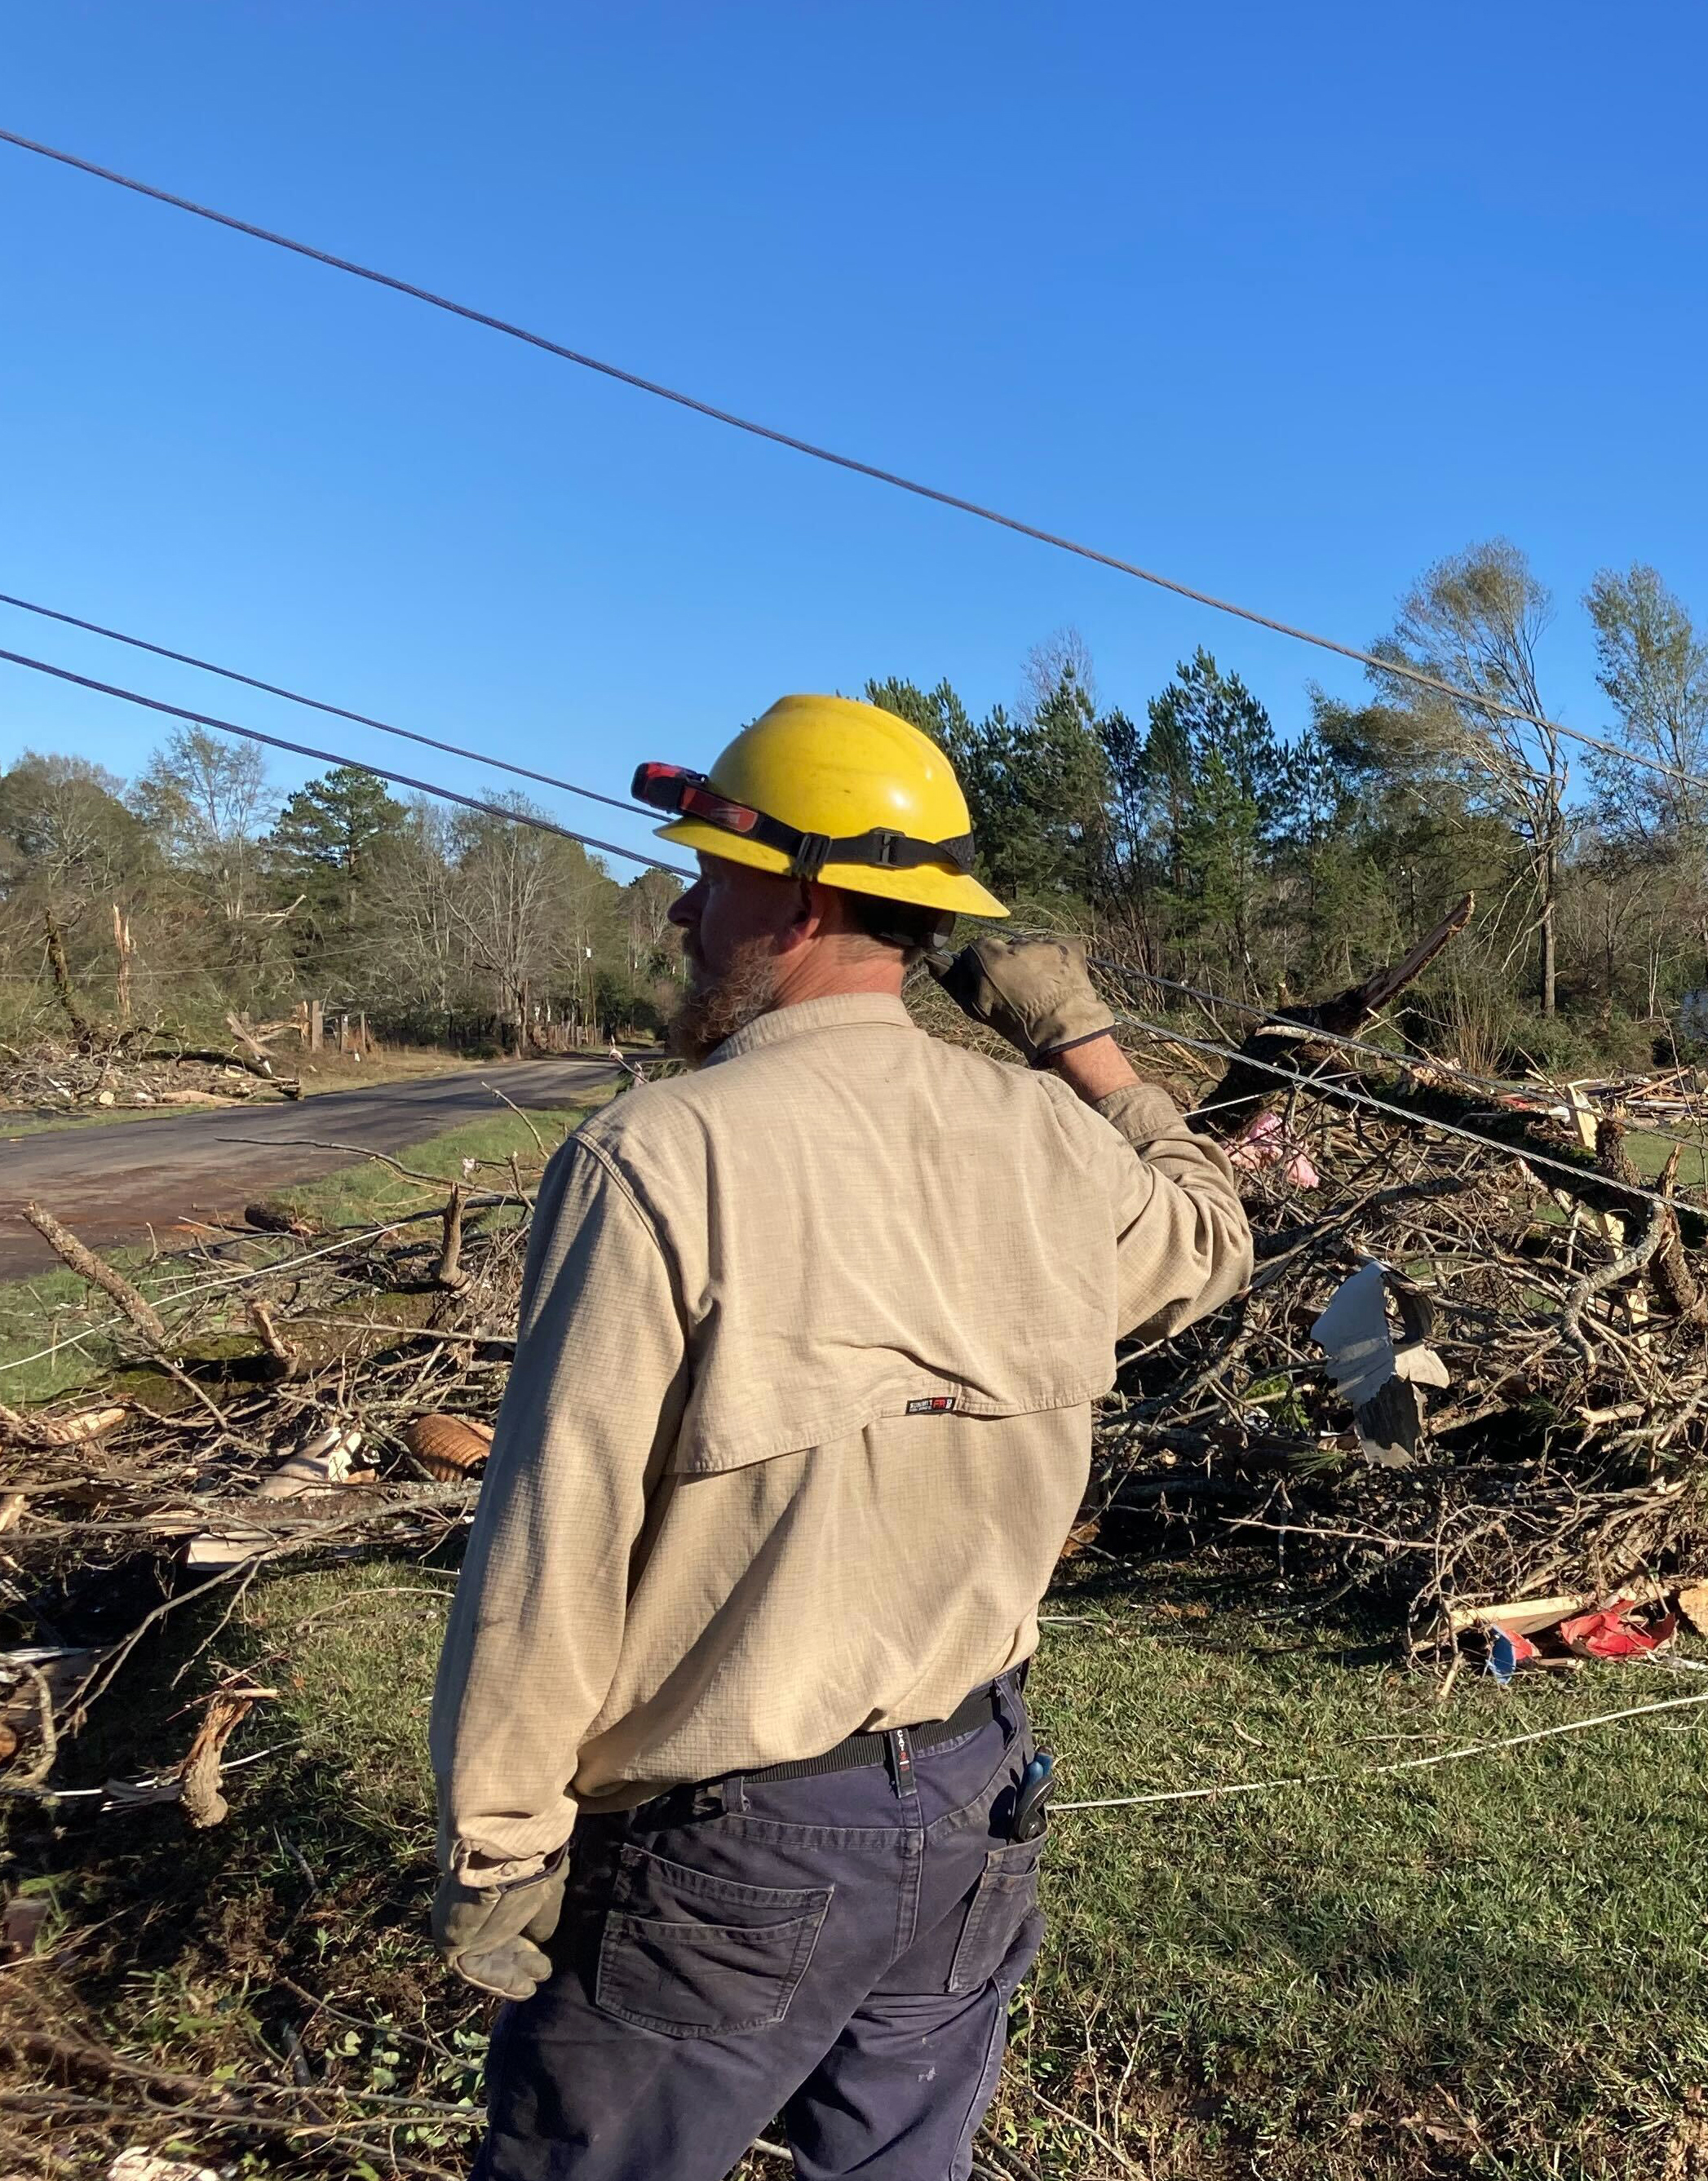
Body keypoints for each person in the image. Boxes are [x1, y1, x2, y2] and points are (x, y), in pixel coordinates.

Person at [426, 693, 1251, 2181]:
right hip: (970, 1802)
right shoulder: (1054, 1140)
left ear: (801, 900)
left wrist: (500, 1836)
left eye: (710, 875)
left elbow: (557, 1531)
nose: (682, 909)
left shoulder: (658, 1156)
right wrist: (1085, 1045)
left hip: (723, 1851)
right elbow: (1208, 1235)